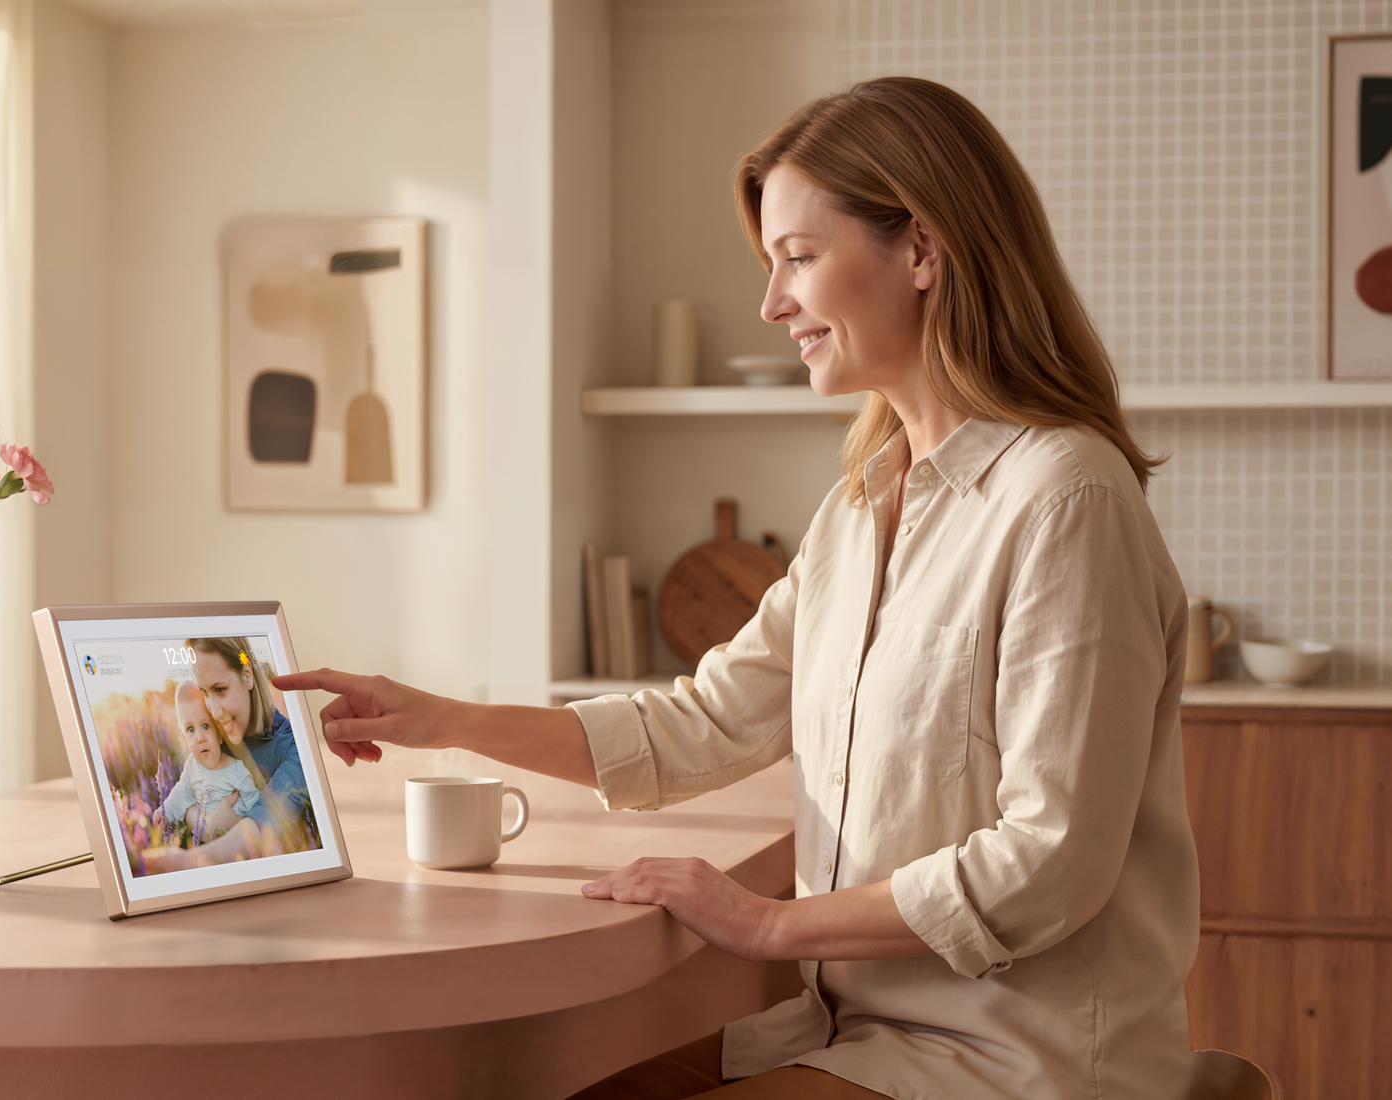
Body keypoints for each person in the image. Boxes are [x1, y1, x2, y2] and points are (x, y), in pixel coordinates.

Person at [279, 75, 1201, 1100]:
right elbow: (705, 722)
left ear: (922, 250)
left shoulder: (1065, 497)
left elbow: (1050, 861)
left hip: (1016, 1062)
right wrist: (439, 717)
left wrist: (768, 924)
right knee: (523, 1079)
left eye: (799, 257)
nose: (772, 304)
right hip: (853, 1032)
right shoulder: (859, 508)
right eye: (772, 265)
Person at [143, 637, 318, 871]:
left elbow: (267, 820)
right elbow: (188, 790)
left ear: (247, 675)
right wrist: (205, 824)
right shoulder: (216, 735)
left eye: (220, 690)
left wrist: (187, 861)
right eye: (205, 692)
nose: (214, 712)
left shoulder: (294, 747)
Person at [152, 680, 258, 845]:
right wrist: (165, 813)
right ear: (185, 739)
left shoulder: (237, 772)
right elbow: (182, 793)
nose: (200, 738)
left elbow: (256, 809)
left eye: (206, 726)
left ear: (219, 733)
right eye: (191, 730)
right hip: (204, 846)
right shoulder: (192, 767)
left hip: (236, 845)